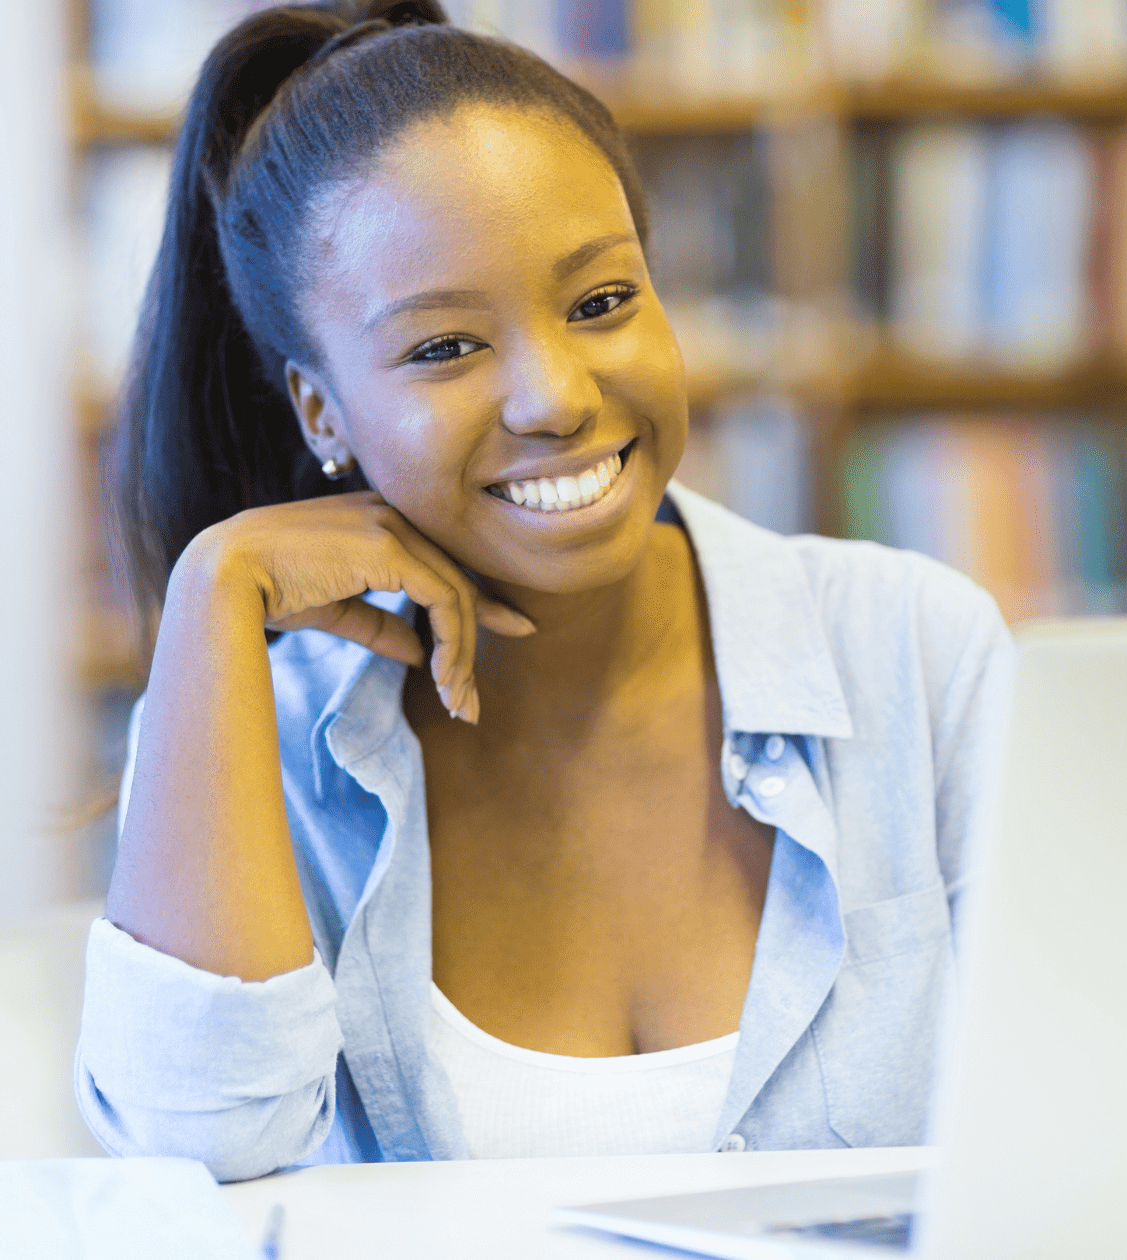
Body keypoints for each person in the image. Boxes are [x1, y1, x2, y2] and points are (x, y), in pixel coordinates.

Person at [74, 0, 1014, 1183]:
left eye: (600, 303)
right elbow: (191, 1162)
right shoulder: (245, 725)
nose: (554, 397)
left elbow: (1087, 1101)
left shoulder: (913, 649)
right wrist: (217, 583)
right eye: (442, 349)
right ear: (320, 412)